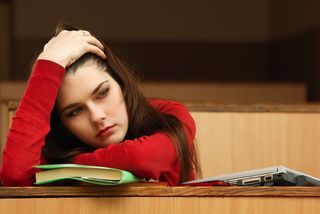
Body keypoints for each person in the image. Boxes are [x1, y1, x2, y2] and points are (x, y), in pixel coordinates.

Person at [0, 24, 201, 186]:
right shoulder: (57, 148)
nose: (97, 116)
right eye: (75, 111)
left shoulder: (169, 115)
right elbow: (14, 175)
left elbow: (142, 158)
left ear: (121, 83)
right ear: (65, 125)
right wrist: (48, 65)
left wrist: (65, 170)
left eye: (102, 93)